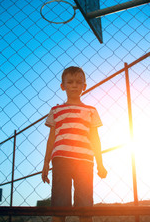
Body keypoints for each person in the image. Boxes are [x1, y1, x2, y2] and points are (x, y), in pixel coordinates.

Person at [42, 66, 107, 222]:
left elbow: (95, 138)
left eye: (79, 82)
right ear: (62, 86)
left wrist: (100, 163)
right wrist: (45, 164)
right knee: (59, 207)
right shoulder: (55, 110)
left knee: (85, 208)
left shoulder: (91, 111)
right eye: (70, 82)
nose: (74, 85)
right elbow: (51, 138)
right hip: (61, 160)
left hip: (84, 161)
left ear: (84, 86)